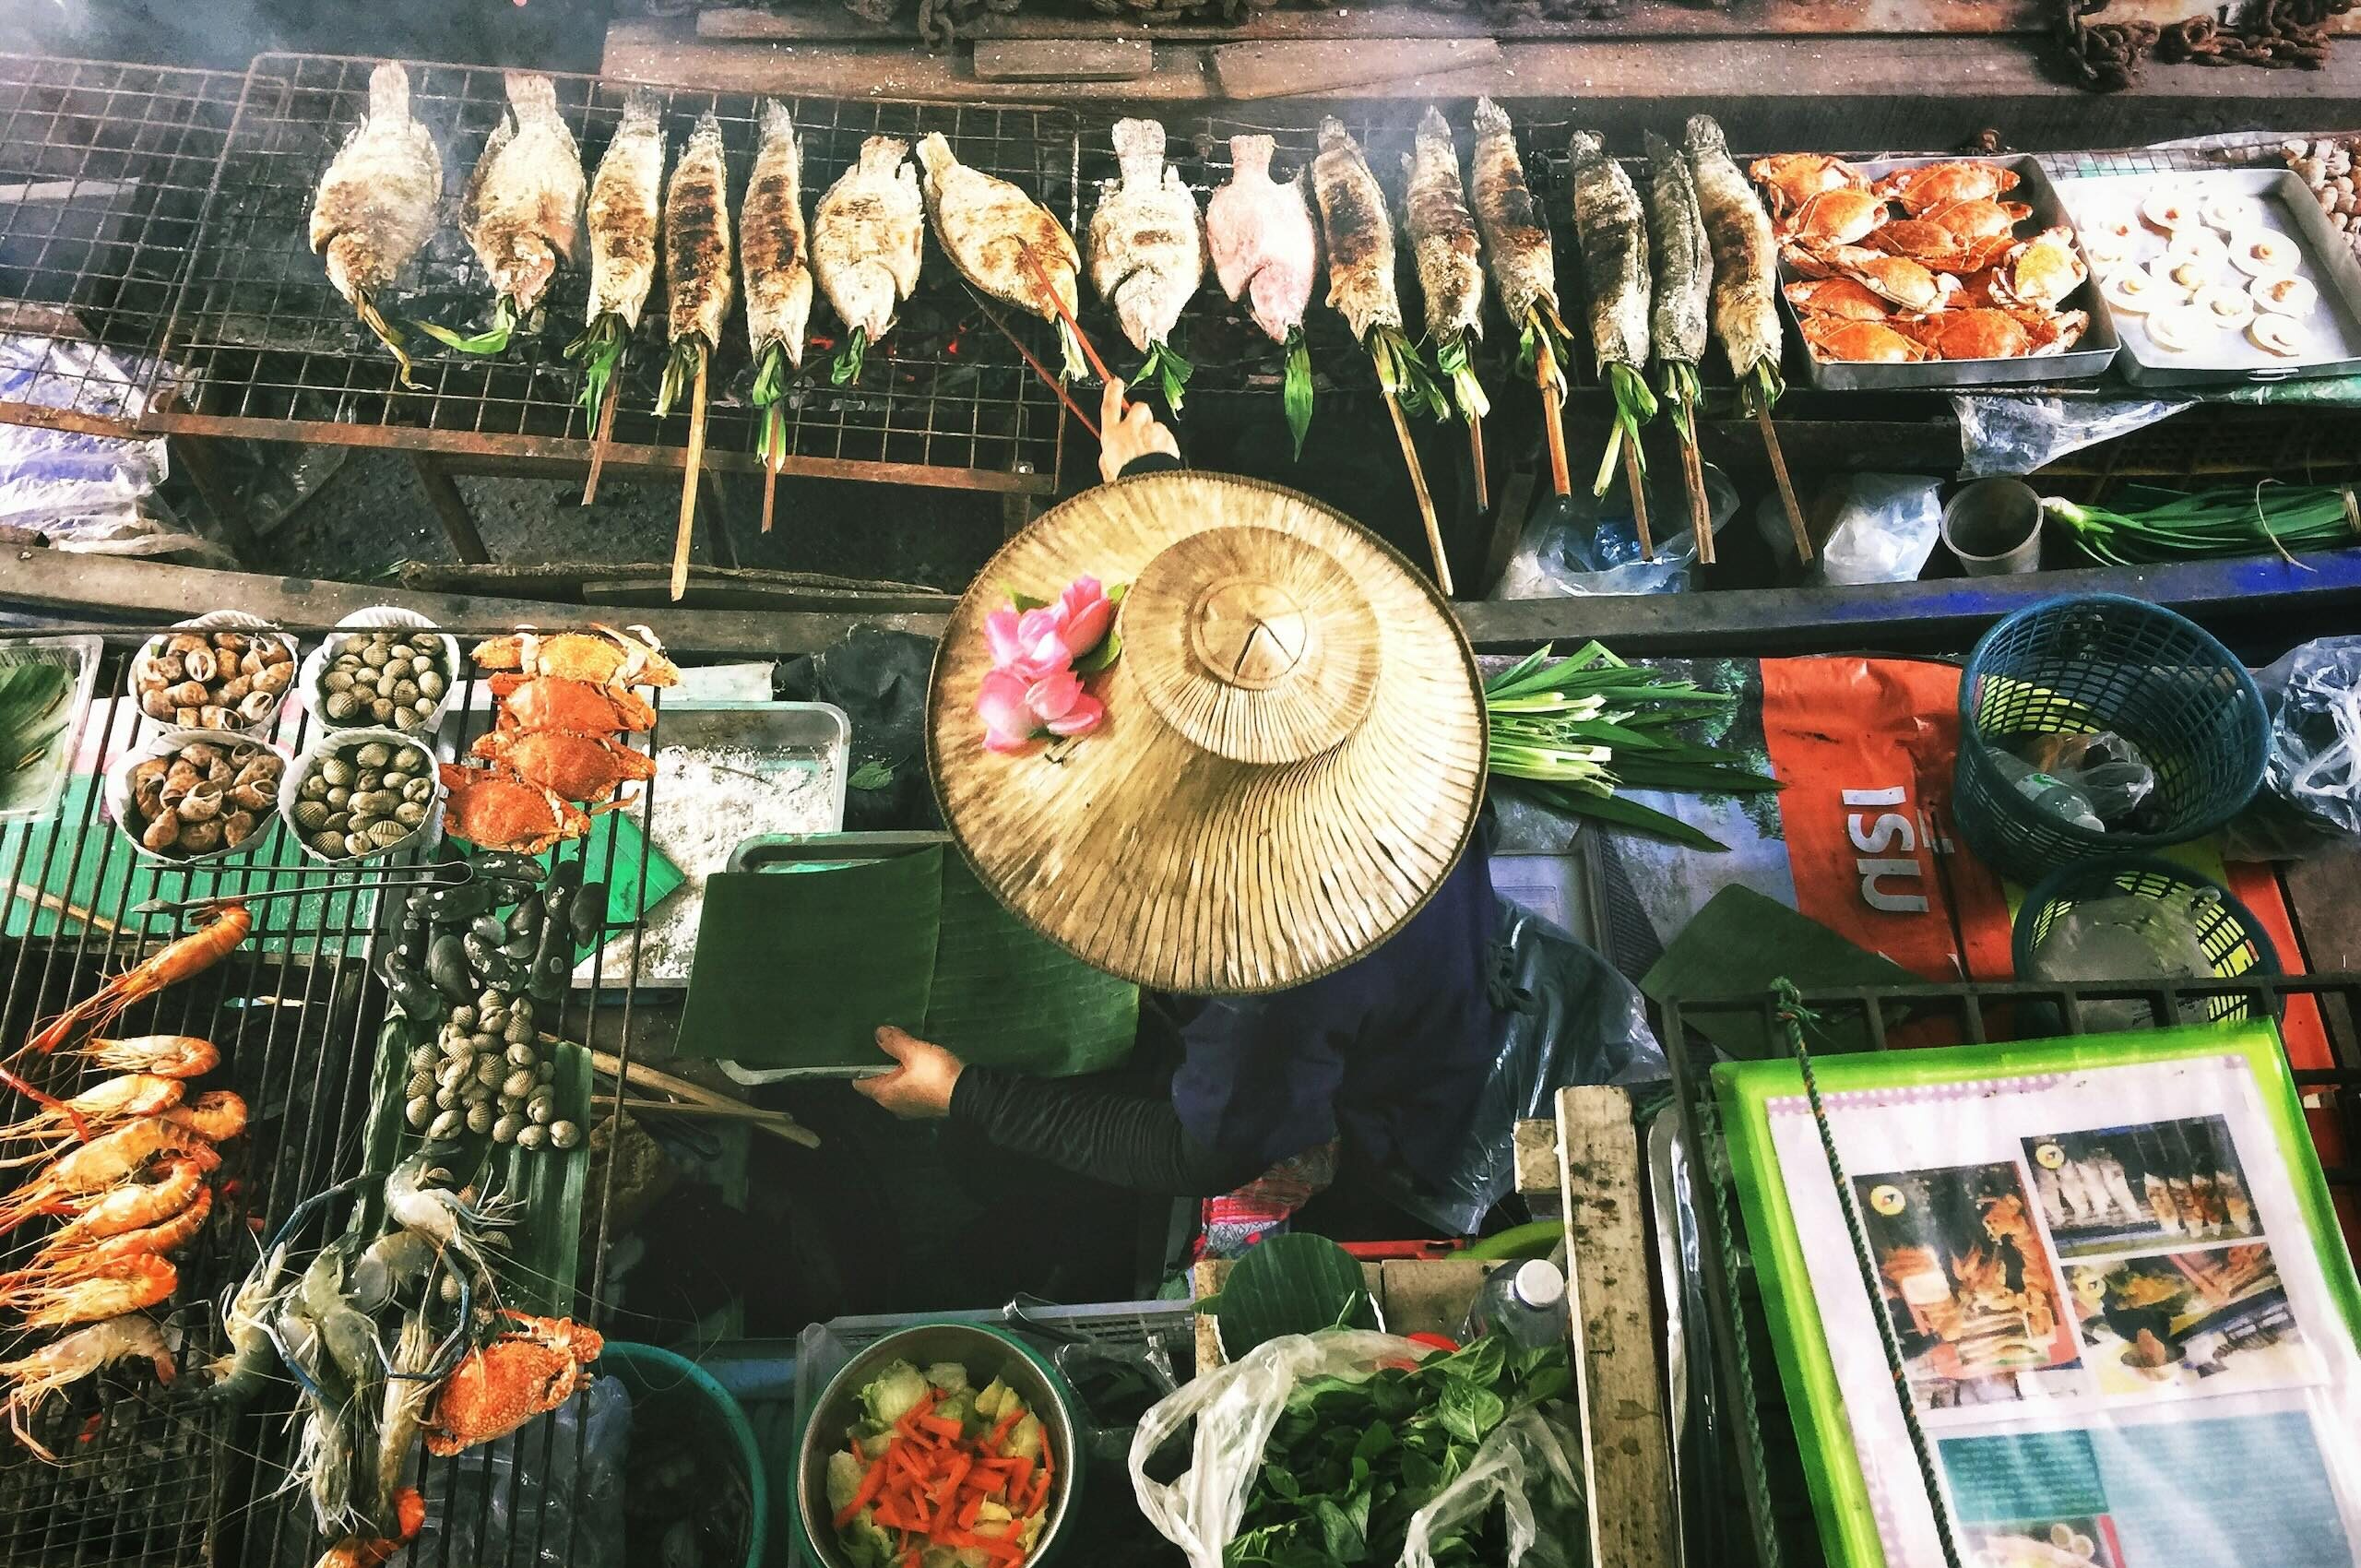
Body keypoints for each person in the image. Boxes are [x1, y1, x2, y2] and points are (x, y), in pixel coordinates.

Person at [855, 381, 1506, 1241]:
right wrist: (1154, 477)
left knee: (1000, 1171)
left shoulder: (1266, 973)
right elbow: (1240, 628)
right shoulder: (1346, 660)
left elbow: (1195, 1152)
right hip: (1425, 940)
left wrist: (965, 1095)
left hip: (1402, 1090)